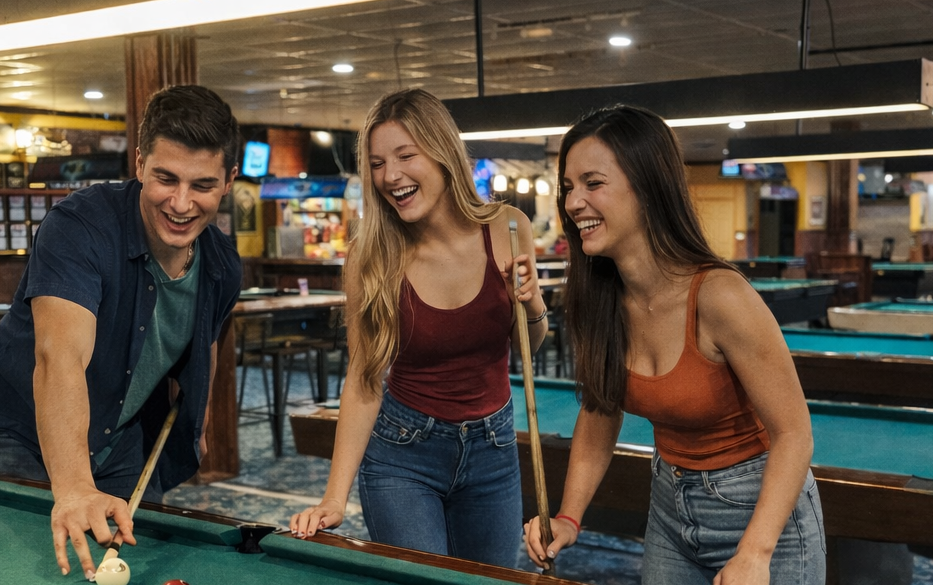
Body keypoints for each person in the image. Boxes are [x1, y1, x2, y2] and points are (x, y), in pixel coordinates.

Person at [523, 105, 825, 585]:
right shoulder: (602, 297)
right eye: (568, 188)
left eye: (592, 183)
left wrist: (755, 553)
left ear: (647, 186)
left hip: (761, 512)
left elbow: (794, 434)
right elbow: (601, 412)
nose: (573, 202)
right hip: (670, 505)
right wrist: (569, 516)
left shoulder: (720, 295)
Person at [289, 88, 548, 568]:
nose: (391, 176)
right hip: (403, 455)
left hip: (494, 451)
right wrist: (333, 496)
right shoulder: (371, 256)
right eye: (378, 163)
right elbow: (364, 380)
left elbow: (527, 349)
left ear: (443, 152)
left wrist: (532, 302)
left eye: (406, 155)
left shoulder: (509, 227)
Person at [0, 85, 242, 580]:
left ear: (229, 181)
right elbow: (59, 358)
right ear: (138, 163)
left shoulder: (221, 264)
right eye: (165, 178)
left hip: (125, 446)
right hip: (19, 437)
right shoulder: (80, 225)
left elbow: (205, 344)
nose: (181, 203)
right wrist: (72, 487)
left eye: (202, 185)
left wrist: (199, 420)